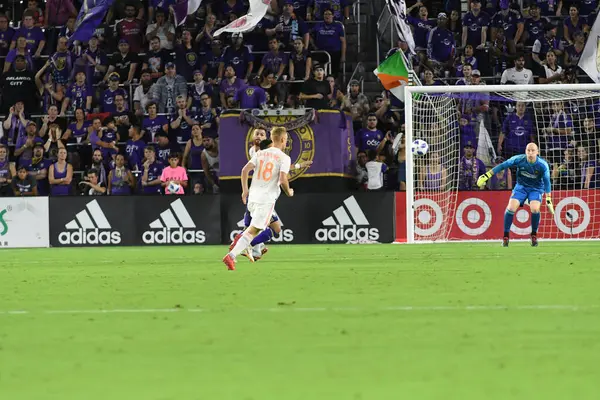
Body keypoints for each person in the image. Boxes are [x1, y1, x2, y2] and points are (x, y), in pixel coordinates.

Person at [223, 127, 294, 270]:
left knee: (259, 229)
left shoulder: (260, 153)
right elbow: (283, 178)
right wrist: (289, 191)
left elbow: (244, 170)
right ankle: (231, 255)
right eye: (286, 139)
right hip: (266, 200)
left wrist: (244, 191)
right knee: (254, 231)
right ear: (282, 139)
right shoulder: (284, 158)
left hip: (252, 198)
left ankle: (249, 249)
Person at [477, 143, 553, 247]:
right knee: (511, 208)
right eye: (528, 150)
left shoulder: (542, 165)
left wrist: (548, 199)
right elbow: (503, 165)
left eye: (533, 151)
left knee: (535, 209)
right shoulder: (519, 159)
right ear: (525, 151)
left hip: (536, 189)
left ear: (537, 152)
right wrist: (487, 175)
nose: (530, 153)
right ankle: (506, 236)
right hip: (521, 187)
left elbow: (547, 182)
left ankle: (534, 235)